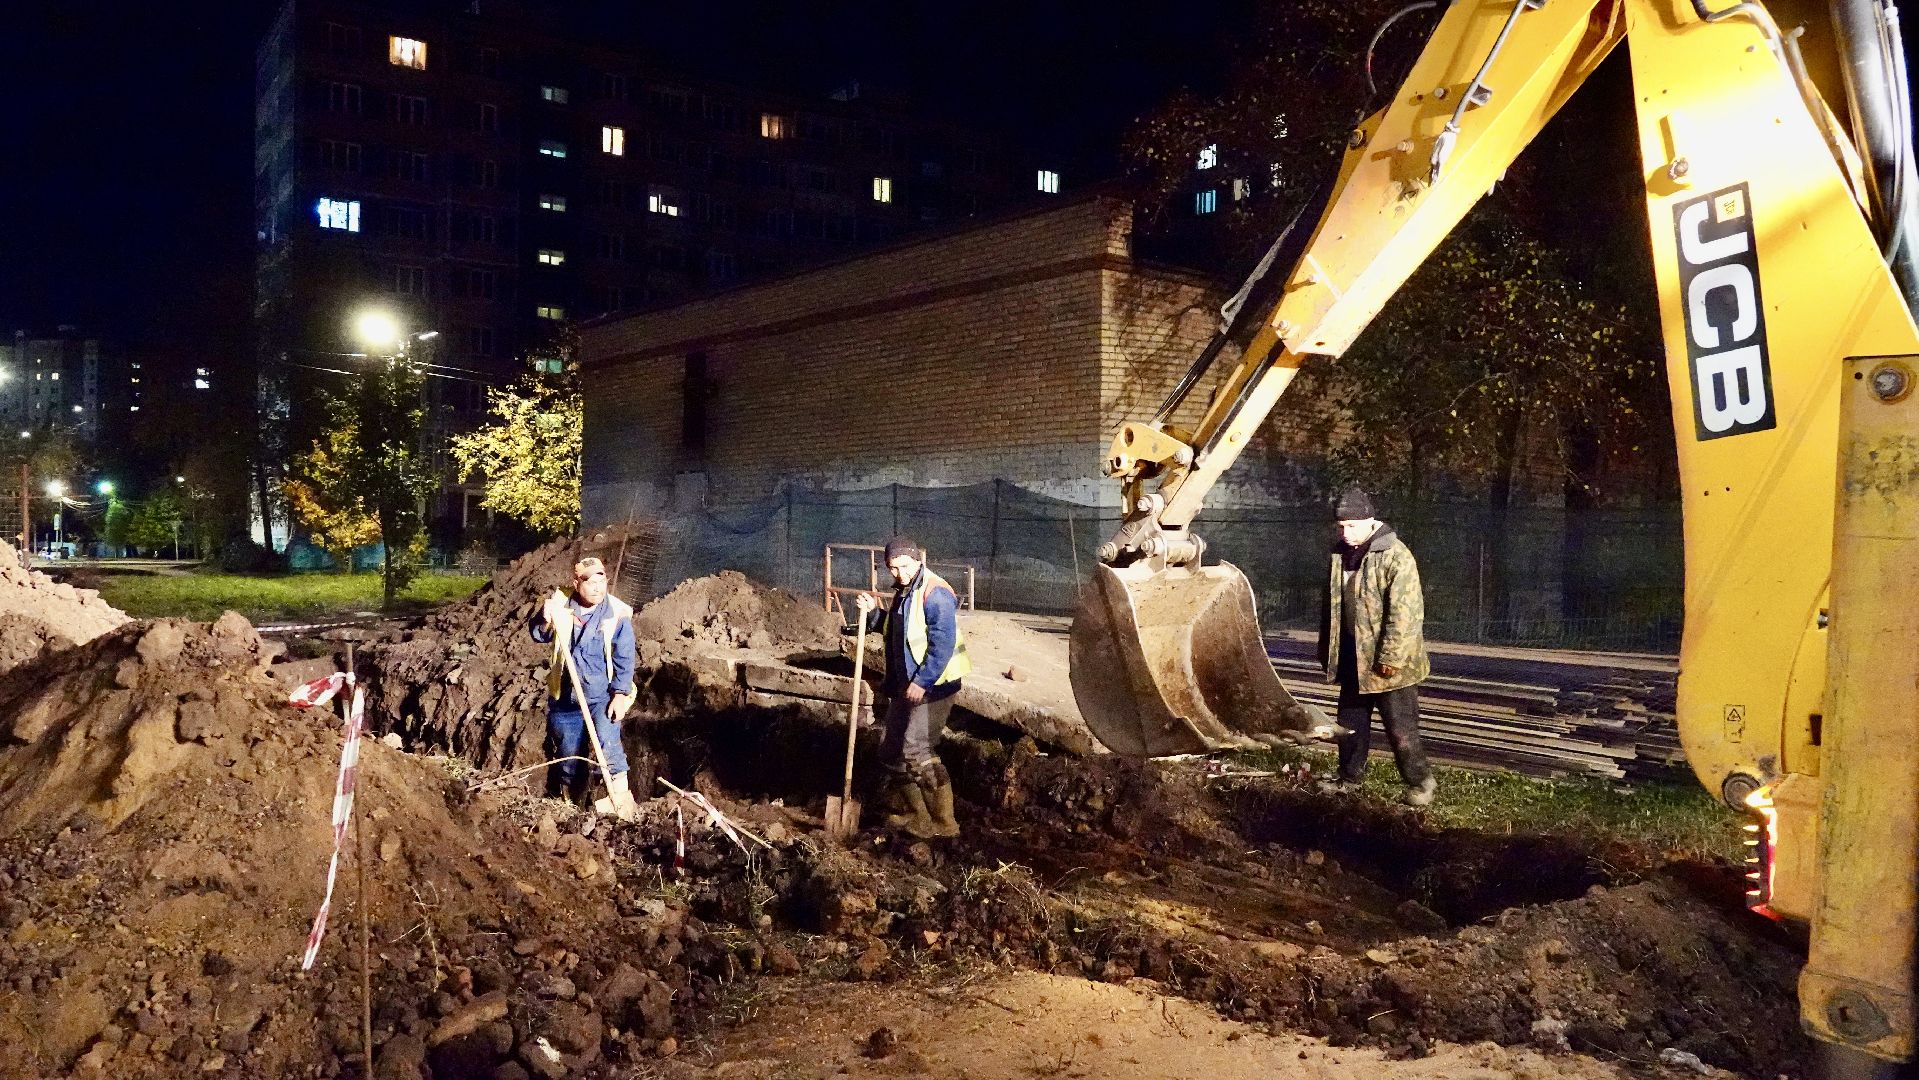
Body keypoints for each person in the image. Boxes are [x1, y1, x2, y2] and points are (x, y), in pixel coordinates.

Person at [1318, 488, 1437, 806]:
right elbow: (1333, 608)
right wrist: (1328, 653)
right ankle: (1349, 778)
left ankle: (1421, 783)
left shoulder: (1396, 555)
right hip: (1353, 659)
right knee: (1350, 726)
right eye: (1341, 526)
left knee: (1401, 729)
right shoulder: (1339, 555)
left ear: (1371, 522)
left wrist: (1391, 658)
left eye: (1353, 526)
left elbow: (1406, 614)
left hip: (1390, 665)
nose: (1346, 532)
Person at [854, 536, 971, 838]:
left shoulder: (935, 593)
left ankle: (945, 824)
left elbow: (941, 645)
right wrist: (874, 614)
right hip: (905, 685)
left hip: (933, 687)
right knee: (891, 752)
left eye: (904, 566)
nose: (899, 574)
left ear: (917, 560)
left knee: (917, 749)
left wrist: (922, 681)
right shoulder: (905, 591)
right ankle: (918, 815)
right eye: (893, 568)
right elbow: (895, 629)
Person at [530, 556, 638, 808]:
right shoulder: (560, 607)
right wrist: (545, 619)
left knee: (609, 746)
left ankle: (621, 803)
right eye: (590, 582)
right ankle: (570, 803)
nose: (598, 588)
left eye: (602, 581)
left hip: (603, 696)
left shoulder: (616, 614)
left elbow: (625, 655)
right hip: (566, 696)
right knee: (569, 753)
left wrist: (620, 694)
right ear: (576, 582)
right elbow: (538, 635)